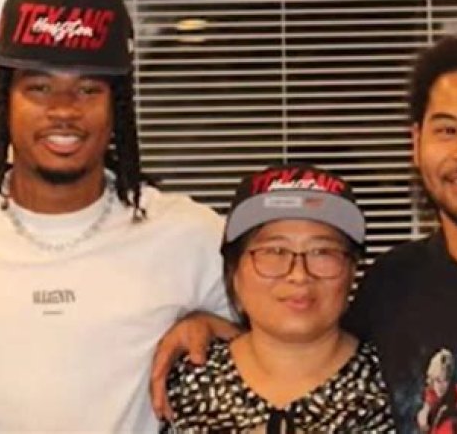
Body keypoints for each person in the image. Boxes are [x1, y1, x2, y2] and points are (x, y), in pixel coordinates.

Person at [149, 28, 457, 433]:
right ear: (416, 144)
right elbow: (304, 343)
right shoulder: (393, 284)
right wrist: (212, 324)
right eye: (447, 130)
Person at [0, 0, 232, 433]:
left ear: (117, 108)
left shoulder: (190, 235)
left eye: (89, 89)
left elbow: (296, 347)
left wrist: (214, 327)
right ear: (4, 101)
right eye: (39, 87)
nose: (64, 109)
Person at [160, 163, 394, 432]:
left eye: (322, 252)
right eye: (274, 251)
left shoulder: (394, 383)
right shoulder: (186, 380)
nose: (299, 275)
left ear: (352, 270)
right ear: (234, 270)